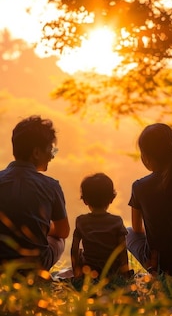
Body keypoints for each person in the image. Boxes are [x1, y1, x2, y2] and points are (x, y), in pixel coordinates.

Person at [126, 123, 172, 277]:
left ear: (146, 157)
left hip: (160, 266)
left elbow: (137, 229)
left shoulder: (139, 187)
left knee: (127, 232)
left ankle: (122, 273)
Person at [0, 115, 70, 271]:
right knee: (58, 240)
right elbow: (63, 231)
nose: (52, 156)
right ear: (36, 152)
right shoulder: (51, 186)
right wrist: (43, 225)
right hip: (34, 265)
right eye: (51, 150)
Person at [71, 173, 131, 279]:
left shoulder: (81, 221)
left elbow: (75, 248)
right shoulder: (116, 221)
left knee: (81, 253)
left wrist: (76, 272)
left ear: (85, 200)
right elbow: (122, 249)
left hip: (89, 271)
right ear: (111, 199)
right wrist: (125, 273)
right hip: (112, 271)